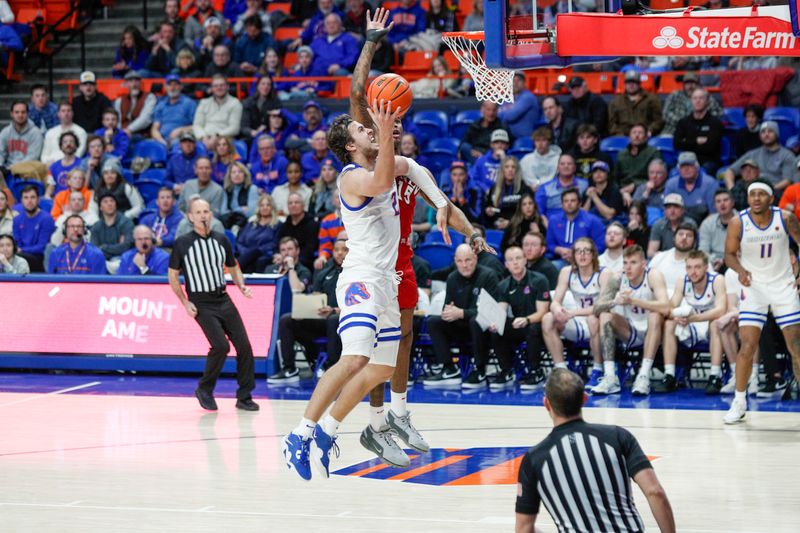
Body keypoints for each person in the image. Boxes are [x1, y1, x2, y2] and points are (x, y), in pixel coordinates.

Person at [282, 103, 405, 481]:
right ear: (349, 146)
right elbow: (383, 183)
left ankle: (328, 428)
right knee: (353, 359)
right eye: (360, 129)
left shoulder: (378, 162)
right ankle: (298, 434)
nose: (367, 129)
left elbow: (401, 170)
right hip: (361, 279)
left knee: (383, 367)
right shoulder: (351, 176)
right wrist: (384, 133)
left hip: (387, 282)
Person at [515, 368, 676, 533]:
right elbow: (655, 492)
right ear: (584, 399)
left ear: (546, 404)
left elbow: (523, 529)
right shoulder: (618, 437)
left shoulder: (534, 459)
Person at [168, 197, 259, 412]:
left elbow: (233, 266)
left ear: (211, 215)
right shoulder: (182, 243)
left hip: (223, 298)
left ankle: (244, 396)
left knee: (245, 346)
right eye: (198, 212)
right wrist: (184, 302)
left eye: (206, 211)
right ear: (190, 217)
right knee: (220, 346)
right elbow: (172, 276)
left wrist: (241, 285)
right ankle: (205, 389)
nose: (203, 215)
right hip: (201, 302)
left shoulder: (221, 239)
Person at [722, 181, 800, 424]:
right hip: (753, 287)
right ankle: (739, 401)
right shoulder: (738, 222)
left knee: (796, 346)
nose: (755, 198)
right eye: (751, 194)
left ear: (770, 198)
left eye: (761, 194)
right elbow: (728, 255)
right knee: (747, 345)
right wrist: (740, 270)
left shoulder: (785, 218)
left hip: (783, 285)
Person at [591, 245, 671, 396]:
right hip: (629, 330)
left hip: (653, 331)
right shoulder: (618, 277)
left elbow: (666, 308)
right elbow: (596, 309)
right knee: (605, 316)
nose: (628, 267)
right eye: (625, 263)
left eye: (633, 263)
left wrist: (632, 301)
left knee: (655, 315)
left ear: (643, 264)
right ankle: (610, 377)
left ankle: (643, 376)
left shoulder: (654, 275)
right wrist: (615, 301)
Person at [268, 235, 347, 383]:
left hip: (343, 321)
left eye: (344, 250)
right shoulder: (325, 271)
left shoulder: (356, 273)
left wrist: (335, 309)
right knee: (287, 320)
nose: (339, 253)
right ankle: (289, 369)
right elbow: (315, 295)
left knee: (333, 319)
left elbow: (358, 305)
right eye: (336, 250)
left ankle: (332, 368)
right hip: (321, 319)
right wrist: (304, 311)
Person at [423, 244, 500, 387]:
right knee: (433, 321)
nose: (464, 265)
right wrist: (449, 313)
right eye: (460, 261)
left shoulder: (488, 275)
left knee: (476, 320)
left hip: (484, 329)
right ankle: (449, 368)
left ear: (475, 258)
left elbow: (490, 312)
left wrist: (461, 313)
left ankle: (480, 370)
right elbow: (448, 308)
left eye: (468, 260)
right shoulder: (452, 277)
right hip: (460, 326)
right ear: (455, 261)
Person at [544, 238, 612, 390]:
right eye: (578, 251)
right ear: (573, 255)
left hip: (598, 322)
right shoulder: (566, 272)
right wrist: (557, 310)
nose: (582, 255)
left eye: (586, 250)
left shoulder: (604, 273)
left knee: (593, 319)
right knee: (548, 319)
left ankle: (597, 369)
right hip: (576, 321)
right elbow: (555, 301)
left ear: (593, 254)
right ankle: (561, 371)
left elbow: (602, 306)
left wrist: (572, 313)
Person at [659, 250, 727, 394]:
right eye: (689, 267)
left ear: (706, 267)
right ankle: (669, 375)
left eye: (697, 267)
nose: (693, 272)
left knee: (716, 323)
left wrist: (694, 318)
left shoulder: (717, 280)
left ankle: (714, 376)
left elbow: (721, 310)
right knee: (669, 323)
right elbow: (671, 308)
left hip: (710, 325)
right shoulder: (682, 281)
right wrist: (675, 316)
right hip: (691, 323)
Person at [488, 246, 551, 390]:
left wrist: (527, 319)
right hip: (519, 324)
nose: (515, 263)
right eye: (510, 260)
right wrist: (495, 322)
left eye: (518, 258)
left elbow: (543, 312)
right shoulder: (503, 285)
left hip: (540, 324)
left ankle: (536, 371)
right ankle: (507, 371)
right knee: (498, 328)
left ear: (525, 260)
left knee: (533, 329)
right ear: (506, 265)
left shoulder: (539, 280)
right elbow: (501, 309)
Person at [722, 121, 795, 196]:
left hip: (775, 192)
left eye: (770, 131)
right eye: (763, 132)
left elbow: (787, 180)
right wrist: (732, 190)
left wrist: (767, 190)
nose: (766, 134)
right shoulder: (753, 154)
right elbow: (729, 171)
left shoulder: (787, 155)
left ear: (776, 134)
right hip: (752, 192)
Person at [546, 188, 605, 264]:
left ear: (579, 203)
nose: (569, 203)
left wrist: (579, 253)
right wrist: (559, 250)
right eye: (566, 201)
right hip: (561, 260)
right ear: (562, 204)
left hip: (587, 261)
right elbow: (550, 244)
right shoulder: (554, 220)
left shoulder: (593, 221)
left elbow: (600, 246)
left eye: (573, 201)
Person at [673, 88, 724, 174]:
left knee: (703, 172)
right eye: (695, 98)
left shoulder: (715, 123)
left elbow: (711, 147)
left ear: (707, 101)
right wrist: (696, 141)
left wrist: (687, 142)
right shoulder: (683, 122)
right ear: (691, 101)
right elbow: (677, 144)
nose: (698, 101)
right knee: (673, 173)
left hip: (707, 162)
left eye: (701, 98)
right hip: (685, 161)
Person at [663, 151, 719, 224]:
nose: (686, 169)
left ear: (697, 167)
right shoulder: (671, 184)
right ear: (678, 169)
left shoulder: (710, 183)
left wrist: (699, 230)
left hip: (704, 225)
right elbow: (667, 211)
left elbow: (714, 213)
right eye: (683, 166)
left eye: (689, 165)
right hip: (677, 226)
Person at [662, 71, 722, 136]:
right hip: (673, 130)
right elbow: (666, 114)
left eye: (693, 83)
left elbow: (718, 113)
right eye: (687, 83)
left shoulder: (706, 96)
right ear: (683, 85)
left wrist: (703, 121)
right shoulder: (675, 95)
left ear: (698, 84)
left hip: (699, 132)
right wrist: (683, 123)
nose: (690, 86)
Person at [192, 75, 243, 151]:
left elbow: (234, 128)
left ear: (227, 87)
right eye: (215, 86)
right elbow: (197, 125)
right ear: (212, 89)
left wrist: (217, 136)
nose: (219, 88)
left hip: (225, 139)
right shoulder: (204, 103)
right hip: (204, 139)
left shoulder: (235, 103)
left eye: (222, 85)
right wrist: (203, 137)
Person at [12, 185, 55, 272]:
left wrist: (22, 250)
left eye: (32, 197)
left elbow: (42, 247)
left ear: (38, 200)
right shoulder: (17, 219)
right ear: (21, 201)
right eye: (26, 198)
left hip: (38, 257)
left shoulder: (46, 218)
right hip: (20, 255)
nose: (29, 201)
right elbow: (17, 242)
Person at [608, 70, 663, 136]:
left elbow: (658, 120)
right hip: (623, 137)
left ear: (639, 83)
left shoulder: (652, 99)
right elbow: (611, 124)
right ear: (625, 84)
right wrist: (620, 134)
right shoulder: (616, 102)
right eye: (628, 82)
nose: (631, 84)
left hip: (645, 136)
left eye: (634, 82)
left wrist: (650, 131)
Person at [534, 153, 588, 222]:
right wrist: (550, 228)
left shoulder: (584, 184)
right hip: (552, 225)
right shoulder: (545, 188)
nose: (566, 166)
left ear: (574, 168)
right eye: (562, 164)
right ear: (558, 168)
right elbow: (539, 213)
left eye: (569, 164)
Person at [483, 155, 532, 229]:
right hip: (496, 226)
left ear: (517, 170)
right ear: (502, 170)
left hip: (517, 228)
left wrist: (510, 223)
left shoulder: (525, 189)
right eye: (507, 167)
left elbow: (528, 215)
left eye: (513, 167)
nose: (510, 170)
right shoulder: (494, 189)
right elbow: (489, 208)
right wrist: (488, 211)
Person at [91, 192, 135, 274]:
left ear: (116, 205)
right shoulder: (96, 227)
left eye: (112, 201)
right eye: (105, 202)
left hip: (121, 260)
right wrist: (117, 247)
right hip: (102, 260)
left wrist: (104, 247)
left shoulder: (126, 223)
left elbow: (126, 247)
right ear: (100, 207)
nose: (109, 204)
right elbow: (94, 250)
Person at [236, 193, 281, 273]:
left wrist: (258, 250)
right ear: (259, 208)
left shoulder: (277, 225)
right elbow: (240, 242)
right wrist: (246, 252)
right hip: (246, 255)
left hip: (265, 254)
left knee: (256, 256)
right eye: (262, 205)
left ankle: (231, 270)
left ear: (272, 208)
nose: (265, 208)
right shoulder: (251, 224)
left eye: (268, 205)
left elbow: (275, 243)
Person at [613, 123, 661, 194]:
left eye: (640, 133)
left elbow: (657, 178)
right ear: (629, 137)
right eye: (634, 132)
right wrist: (621, 192)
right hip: (623, 190)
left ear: (646, 137)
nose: (637, 135)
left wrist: (635, 185)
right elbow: (615, 178)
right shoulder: (621, 154)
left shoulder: (653, 153)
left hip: (645, 189)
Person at [275, 192, 319, 269]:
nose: (293, 205)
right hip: (284, 258)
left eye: (296, 202)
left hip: (304, 261)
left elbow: (310, 248)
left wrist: (293, 259)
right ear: (287, 207)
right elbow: (277, 244)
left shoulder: (313, 224)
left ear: (303, 205)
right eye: (290, 203)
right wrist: (279, 255)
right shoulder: (284, 225)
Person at [151, 74, 197, 146]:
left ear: (181, 87)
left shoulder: (190, 103)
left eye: (175, 85)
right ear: (165, 87)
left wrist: (180, 130)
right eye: (169, 85)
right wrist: (160, 140)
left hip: (181, 138)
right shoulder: (161, 105)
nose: (172, 88)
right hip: (162, 139)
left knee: (175, 143)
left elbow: (197, 126)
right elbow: (155, 128)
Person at [647, 193, 697, 258]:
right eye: (668, 207)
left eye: (676, 207)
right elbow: (650, 252)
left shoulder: (690, 224)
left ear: (682, 210)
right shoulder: (658, 225)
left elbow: (694, 249)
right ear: (664, 211)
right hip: (664, 260)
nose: (672, 211)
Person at [0, 100, 44, 170]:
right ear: (12, 114)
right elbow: (1, 153)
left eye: (23, 112)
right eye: (17, 112)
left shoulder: (36, 133)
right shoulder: (5, 132)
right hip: (7, 170)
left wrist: (13, 168)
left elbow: (32, 157)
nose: (20, 115)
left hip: (28, 170)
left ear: (27, 114)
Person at [699, 189, 735, 271]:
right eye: (718, 201)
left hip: (738, 261)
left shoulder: (743, 221)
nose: (722, 204)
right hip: (715, 263)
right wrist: (714, 260)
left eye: (725, 200)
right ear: (715, 206)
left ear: (733, 203)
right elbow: (703, 251)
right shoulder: (707, 223)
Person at [41, 101, 86, 166]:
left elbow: (78, 154)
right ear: (58, 114)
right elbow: (44, 156)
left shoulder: (81, 132)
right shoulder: (50, 133)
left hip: (72, 167)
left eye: (68, 111)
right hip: (51, 166)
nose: (66, 113)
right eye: (63, 111)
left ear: (73, 113)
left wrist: (59, 162)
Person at [498, 72, 539, 140]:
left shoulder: (528, 97)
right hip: (509, 139)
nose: (515, 83)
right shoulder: (507, 98)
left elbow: (511, 116)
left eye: (519, 80)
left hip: (525, 139)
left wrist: (502, 113)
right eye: (513, 80)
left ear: (524, 83)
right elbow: (496, 113)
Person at [240, 76, 278, 140]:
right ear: (257, 86)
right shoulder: (248, 102)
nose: (266, 87)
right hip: (252, 136)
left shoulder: (276, 102)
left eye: (268, 84)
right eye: (263, 84)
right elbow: (244, 127)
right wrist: (253, 132)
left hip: (271, 135)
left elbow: (280, 123)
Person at [47, 131, 83, 198]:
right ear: (61, 146)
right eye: (65, 142)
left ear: (76, 145)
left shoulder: (82, 164)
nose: (68, 144)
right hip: (58, 201)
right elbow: (50, 188)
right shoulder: (53, 166)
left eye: (71, 141)